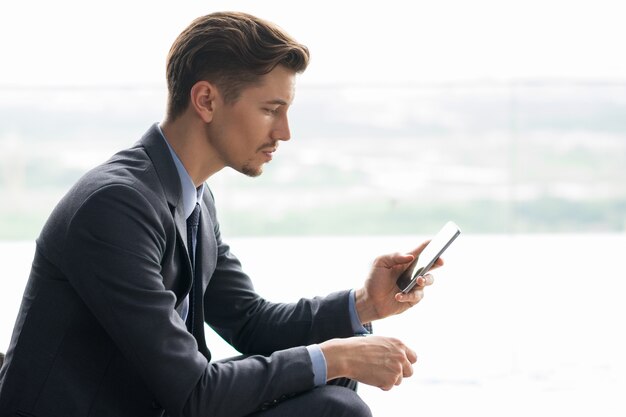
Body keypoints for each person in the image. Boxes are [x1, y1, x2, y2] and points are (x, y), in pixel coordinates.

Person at [0, 11, 442, 417]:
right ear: (207, 101)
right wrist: (335, 356)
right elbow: (193, 393)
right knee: (334, 398)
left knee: (335, 376)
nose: (284, 133)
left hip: (157, 403)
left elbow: (251, 322)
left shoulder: (192, 197)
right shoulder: (114, 206)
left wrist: (366, 304)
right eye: (271, 110)